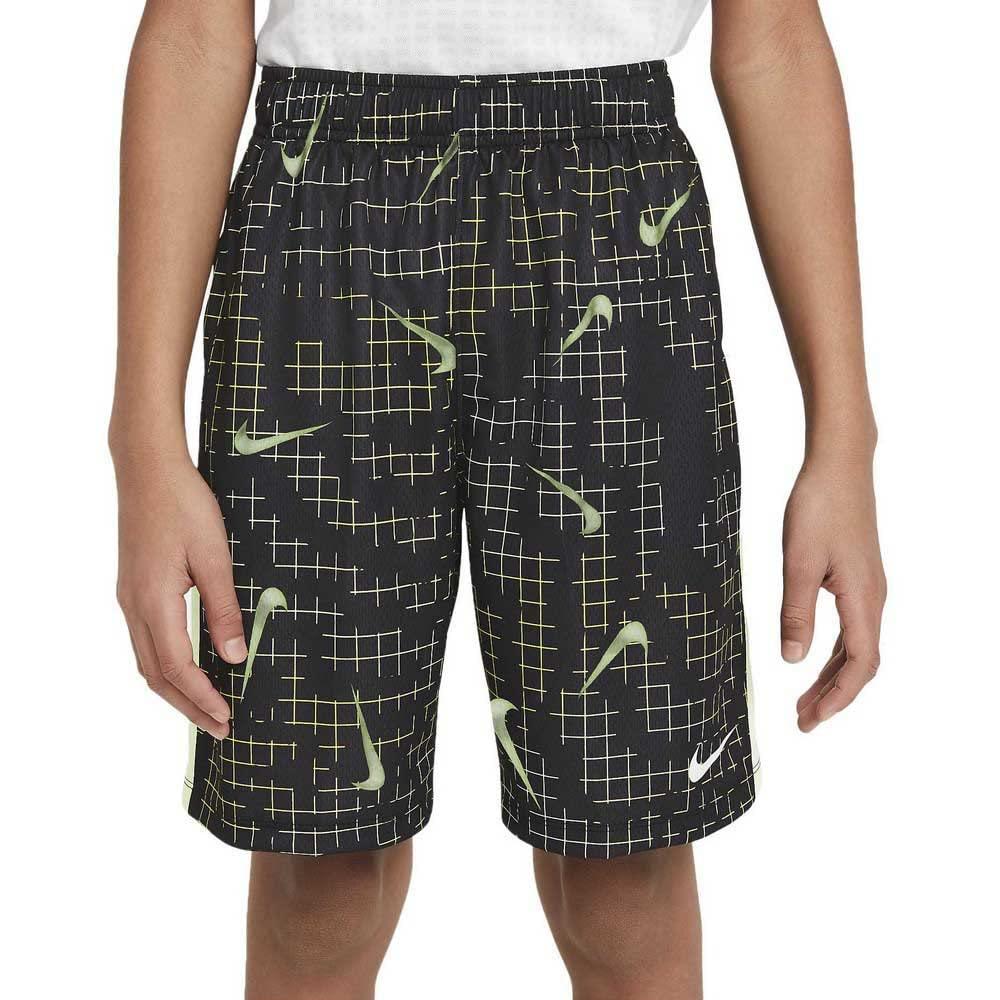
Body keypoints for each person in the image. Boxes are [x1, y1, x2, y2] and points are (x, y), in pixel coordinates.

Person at [111, 1, 886, 997]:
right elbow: (191, 32)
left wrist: (844, 441)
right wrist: (142, 441)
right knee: (318, 867)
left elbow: (773, 36)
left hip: (609, 215)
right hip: (323, 210)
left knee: (628, 865)